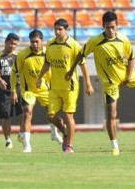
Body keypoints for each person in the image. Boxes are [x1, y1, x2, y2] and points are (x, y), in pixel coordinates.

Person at [65, 11, 135, 156]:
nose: (110, 30)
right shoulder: (95, 41)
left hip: (125, 73)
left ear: (117, 26)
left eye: (113, 27)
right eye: (108, 27)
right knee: (111, 113)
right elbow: (80, 55)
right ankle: (115, 145)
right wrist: (71, 71)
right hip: (111, 83)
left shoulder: (123, 39)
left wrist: (128, 76)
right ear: (103, 26)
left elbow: (131, 57)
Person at [36, 19, 93, 154]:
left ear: (66, 30)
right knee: (50, 116)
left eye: (60, 29)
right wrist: (39, 78)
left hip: (70, 87)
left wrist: (88, 84)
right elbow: (47, 63)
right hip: (54, 87)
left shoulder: (73, 45)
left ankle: (70, 146)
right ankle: (65, 134)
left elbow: (83, 65)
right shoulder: (50, 44)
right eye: (55, 29)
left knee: (68, 116)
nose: (57, 32)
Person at [11, 29, 66, 153]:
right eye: (32, 42)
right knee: (27, 112)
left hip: (46, 89)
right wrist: (13, 91)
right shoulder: (22, 55)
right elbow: (14, 72)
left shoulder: (49, 52)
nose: (34, 44)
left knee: (52, 115)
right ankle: (27, 146)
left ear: (42, 41)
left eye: (37, 42)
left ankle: (58, 134)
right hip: (29, 90)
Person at [0, 33, 22, 149]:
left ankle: (22, 133)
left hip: (19, 88)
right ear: (6, 42)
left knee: (24, 112)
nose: (13, 46)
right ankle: (8, 139)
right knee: (6, 116)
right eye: (11, 43)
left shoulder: (18, 56)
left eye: (15, 44)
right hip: (4, 90)